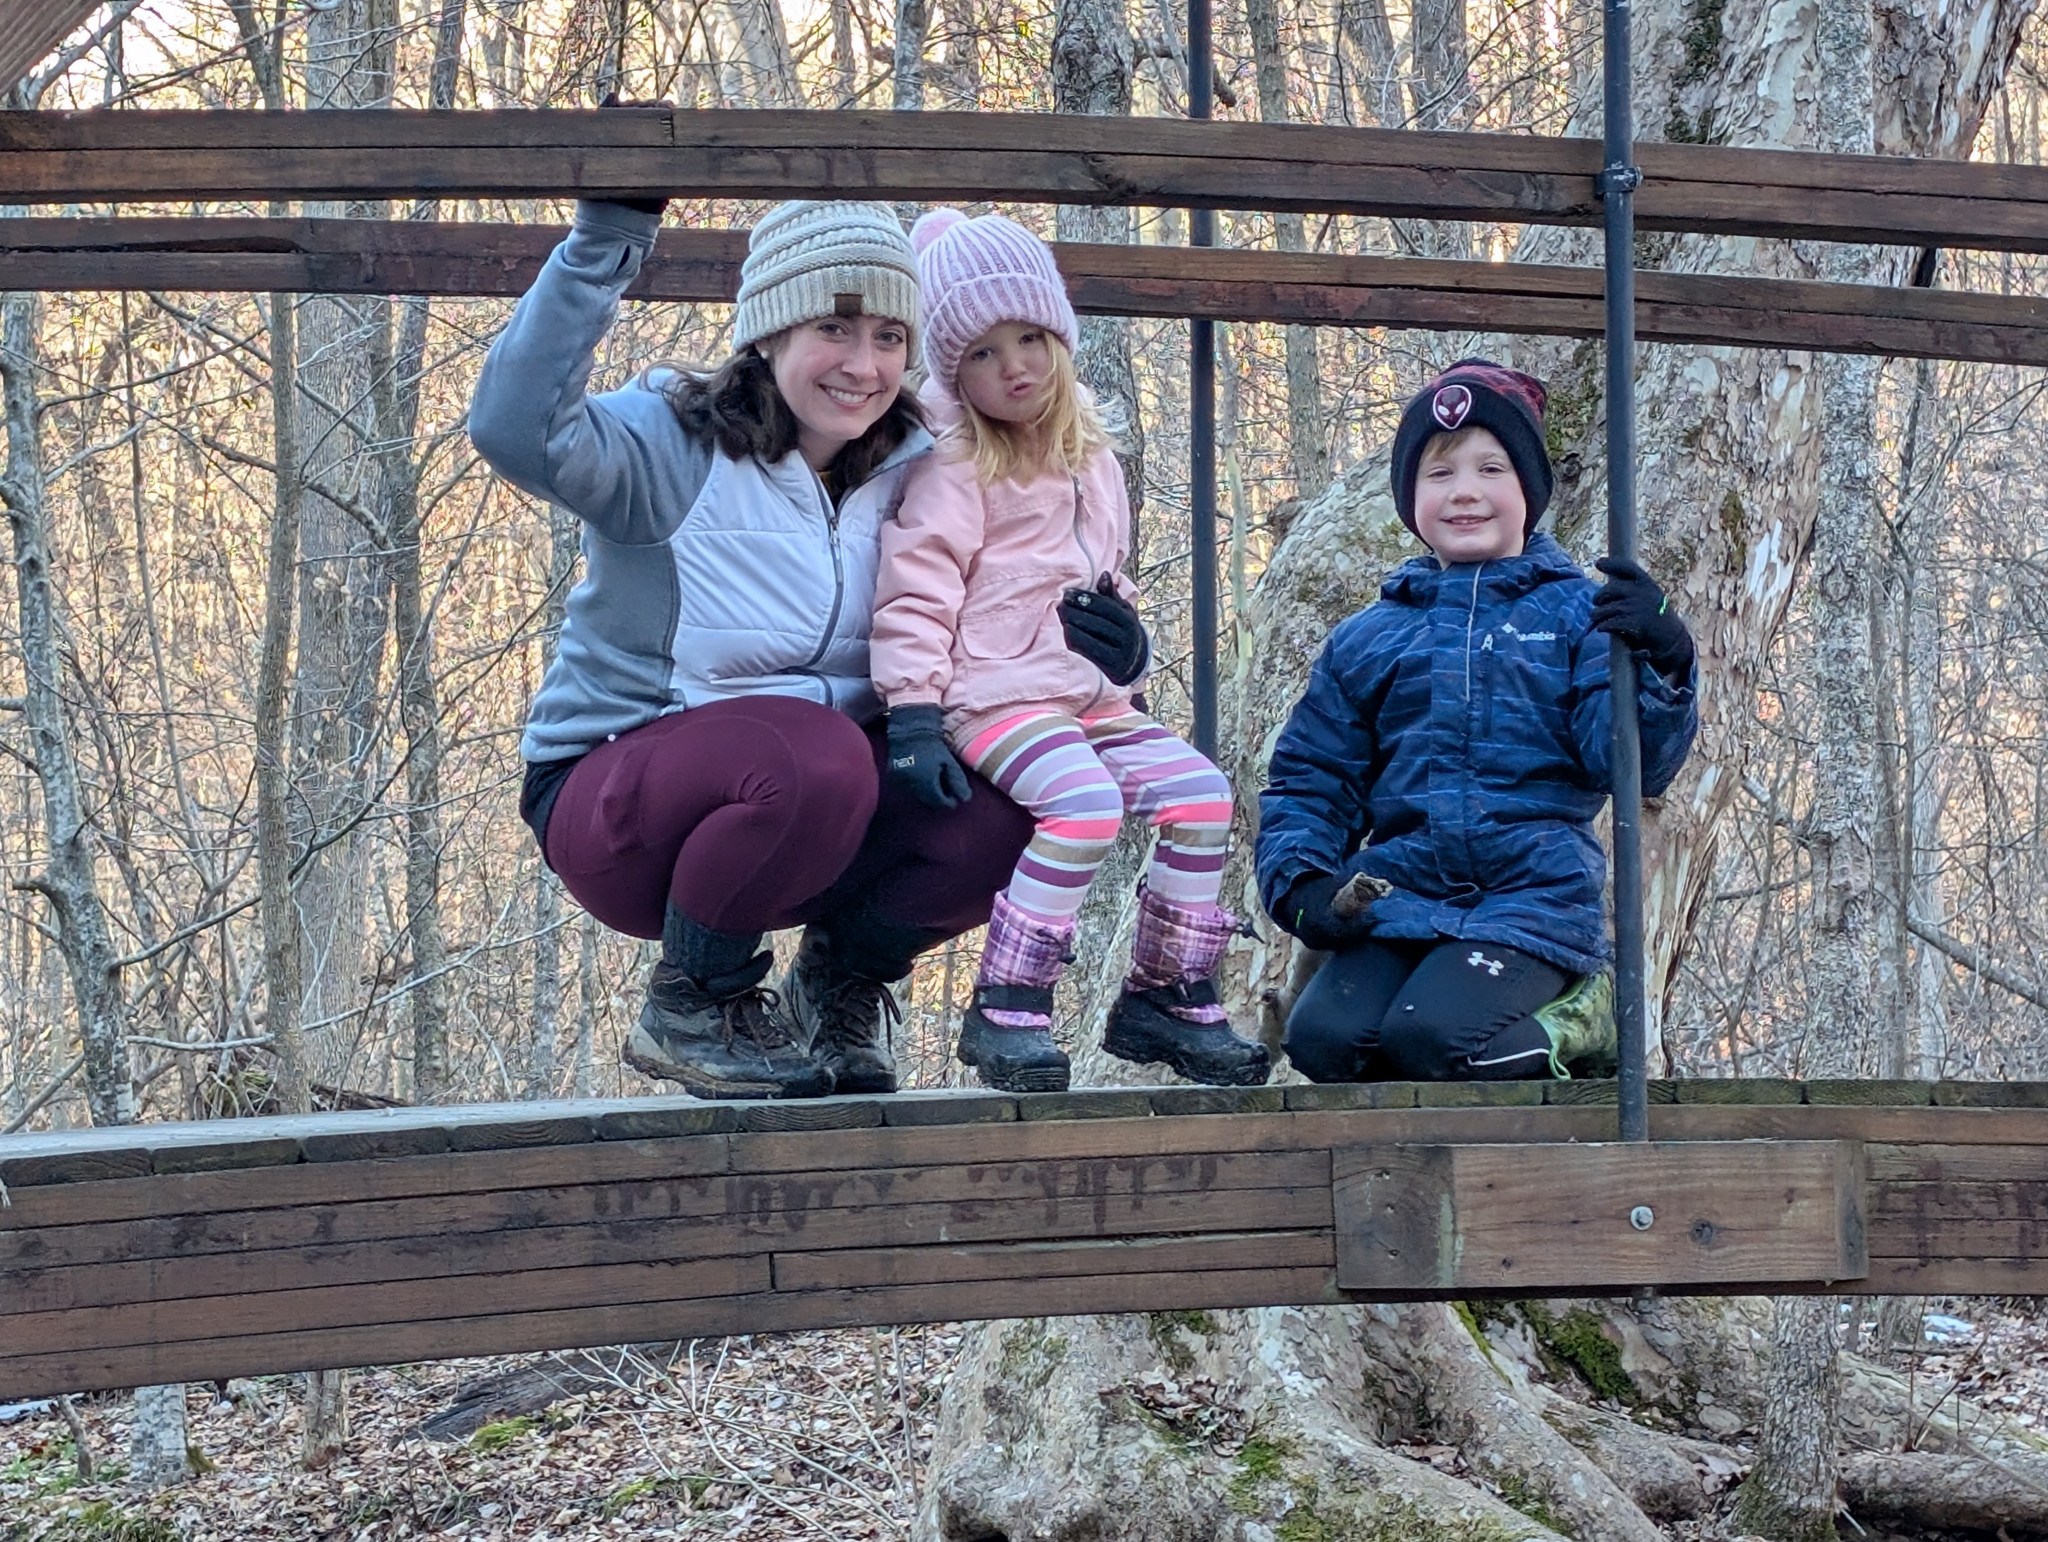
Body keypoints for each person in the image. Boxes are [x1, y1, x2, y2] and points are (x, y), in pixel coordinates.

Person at [469, 194, 1041, 1100]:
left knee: (1008, 806)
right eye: (833, 328)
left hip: (815, 819)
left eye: (890, 337)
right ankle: (696, 1002)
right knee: (817, 753)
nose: (864, 365)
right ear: (771, 332)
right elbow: (515, 430)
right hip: (622, 807)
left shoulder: (921, 468)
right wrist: (606, 239)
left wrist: (1110, 652)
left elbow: (1018, 598)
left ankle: (838, 980)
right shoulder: (671, 446)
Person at [869, 208, 1271, 1093]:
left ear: (1059, 336)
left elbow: (1104, 579)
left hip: (1090, 699)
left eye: (1029, 339)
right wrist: (914, 712)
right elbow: (917, 589)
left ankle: (1165, 993)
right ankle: (1008, 1004)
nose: (1013, 366)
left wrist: (1129, 649)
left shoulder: (1092, 456)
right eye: (982, 353)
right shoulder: (953, 462)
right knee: (1084, 807)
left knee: (1203, 796)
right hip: (992, 697)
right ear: (952, 371)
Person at [1255, 360, 1699, 1083]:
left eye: (1491, 469)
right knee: (1325, 1042)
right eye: (1439, 473)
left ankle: (1583, 1023)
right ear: (1410, 498)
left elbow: (1633, 766)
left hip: (1532, 904)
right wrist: (1300, 881)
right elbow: (1312, 777)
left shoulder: (1580, 616)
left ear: (1529, 492)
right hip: (1400, 899)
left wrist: (1665, 658)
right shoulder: (1368, 638)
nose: (1465, 491)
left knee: (1434, 1039)